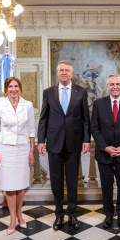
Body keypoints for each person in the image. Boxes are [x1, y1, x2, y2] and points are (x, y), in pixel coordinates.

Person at [37, 60, 90, 231]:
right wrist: (40, 141)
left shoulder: (81, 92)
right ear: (57, 72)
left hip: (74, 144)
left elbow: (85, 119)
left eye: (67, 70)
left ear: (72, 73)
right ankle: (59, 215)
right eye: (62, 70)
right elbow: (43, 118)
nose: (64, 73)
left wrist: (86, 140)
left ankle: (73, 214)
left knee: (73, 181)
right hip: (54, 143)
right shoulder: (48, 93)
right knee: (56, 182)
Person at [0, 77, 35, 235]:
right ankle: (12, 219)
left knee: (20, 185)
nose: (13, 89)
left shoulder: (27, 105)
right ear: (6, 89)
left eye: (16, 86)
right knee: (9, 185)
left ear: (20, 88)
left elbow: (31, 129)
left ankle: (20, 215)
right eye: (10, 86)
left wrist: (31, 151)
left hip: (22, 148)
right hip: (5, 149)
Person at [91, 74, 120, 229]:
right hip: (104, 153)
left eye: (118, 84)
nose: (115, 87)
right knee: (106, 186)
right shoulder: (98, 104)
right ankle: (109, 215)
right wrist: (105, 147)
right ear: (107, 86)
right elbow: (94, 128)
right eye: (112, 84)